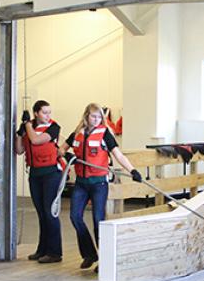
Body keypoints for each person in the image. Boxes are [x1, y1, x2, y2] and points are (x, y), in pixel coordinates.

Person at [60, 103, 142, 270]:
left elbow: (118, 154)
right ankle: (89, 254)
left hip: (99, 184)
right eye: (93, 116)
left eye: (99, 117)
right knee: (75, 217)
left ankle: (104, 260)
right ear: (86, 116)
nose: (96, 120)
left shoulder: (105, 134)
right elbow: (61, 150)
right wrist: (67, 155)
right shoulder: (77, 134)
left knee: (99, 221)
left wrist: (133, 170)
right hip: (81, 184)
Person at [15, 100, 63, 263]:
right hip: (35, 174)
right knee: (41, 213)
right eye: (45, 112)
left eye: (49, 112)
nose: (48, 116)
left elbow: (36, 140)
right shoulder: (29, 129)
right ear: (36, 113)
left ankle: (55, 252)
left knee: (50, 213)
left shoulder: (54, 127)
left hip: (51, 174)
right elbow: (19, 150)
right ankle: (42, 249)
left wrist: (27, 125)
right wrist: (19, 133)